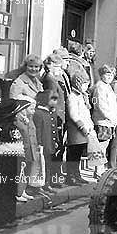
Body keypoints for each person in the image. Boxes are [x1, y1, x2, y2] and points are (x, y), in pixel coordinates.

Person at [0, 99, 31, 228]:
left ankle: (10, 216)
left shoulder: (17, 128)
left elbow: (22, 143)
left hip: (15, 160)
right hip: (5, 160)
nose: (21, 115)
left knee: (11, 188)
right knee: (4, 188)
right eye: (19, 113)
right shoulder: (2, 129)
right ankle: (1, 217)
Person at [9, 54, 44, 202]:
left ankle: (22, 189)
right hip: (22, 122)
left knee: (31, 157)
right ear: (25, 66)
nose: (33, 69)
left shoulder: (37, 82)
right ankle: (17, 191)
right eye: (31, 66)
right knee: (22, 158)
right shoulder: (19, 83)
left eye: (36, 67)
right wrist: (22, 118)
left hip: (32, 122)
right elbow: (14, 103)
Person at [44, 52, 71, 186]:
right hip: (55, 117)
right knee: (55, 149)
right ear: (50, 66)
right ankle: (53, 179)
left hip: (60, 116)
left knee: (59, 148)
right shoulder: (50, 79)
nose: (60, 70)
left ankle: (55, 176)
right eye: (58, 67)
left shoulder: (55, 78)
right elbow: (51, 100)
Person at [66, 74, 94, 184]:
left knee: (78, 154)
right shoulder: (73, 96)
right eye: (84, 84)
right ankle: (70, 176)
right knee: (73, 153)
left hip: (84, 129)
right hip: (76, 129)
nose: (86, 86)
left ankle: (77, 174)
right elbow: (74, 114)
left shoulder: (82, 96)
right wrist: (82, 126)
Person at [91, 64, 117, 177]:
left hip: (109, 121)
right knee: (100, 146)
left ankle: (100, 168)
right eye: (107, 74)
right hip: (102, 121)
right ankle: (98, 170)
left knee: (104, 145)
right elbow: (100, 105)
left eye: (111, 74)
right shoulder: (100, 87)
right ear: (102, 75)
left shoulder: (108, 86)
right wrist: (110, 117)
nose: (109, 76)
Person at [33, 90, 59, 194]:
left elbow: (54, 128)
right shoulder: (39, 113)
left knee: (48, 164)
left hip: (49, 144)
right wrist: (39, 144)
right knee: (41, 166)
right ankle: (39, 185)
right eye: (53, 99)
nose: (55, 102)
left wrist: (56, 140)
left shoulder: (51, 112)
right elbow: (38, 130)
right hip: (43, 144)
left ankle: (46, 183)